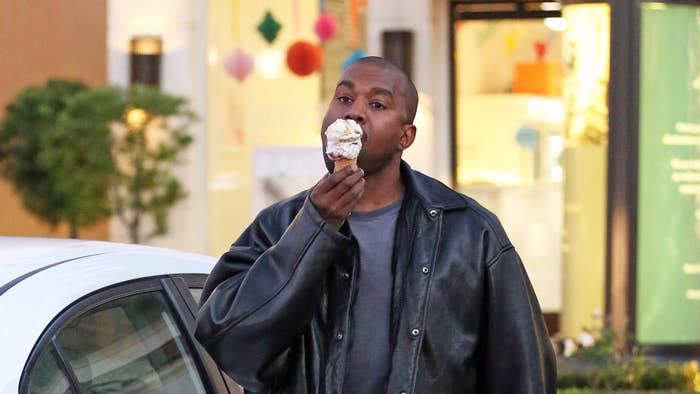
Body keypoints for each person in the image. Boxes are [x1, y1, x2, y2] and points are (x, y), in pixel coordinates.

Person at [195, 56, 556, 393]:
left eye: (377, 105)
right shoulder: (279, 225)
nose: (354, 113)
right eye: (344, 98)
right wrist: (315, 228)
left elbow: (522, 368)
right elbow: (227, 339)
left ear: (406, 136)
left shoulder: (468, 230)